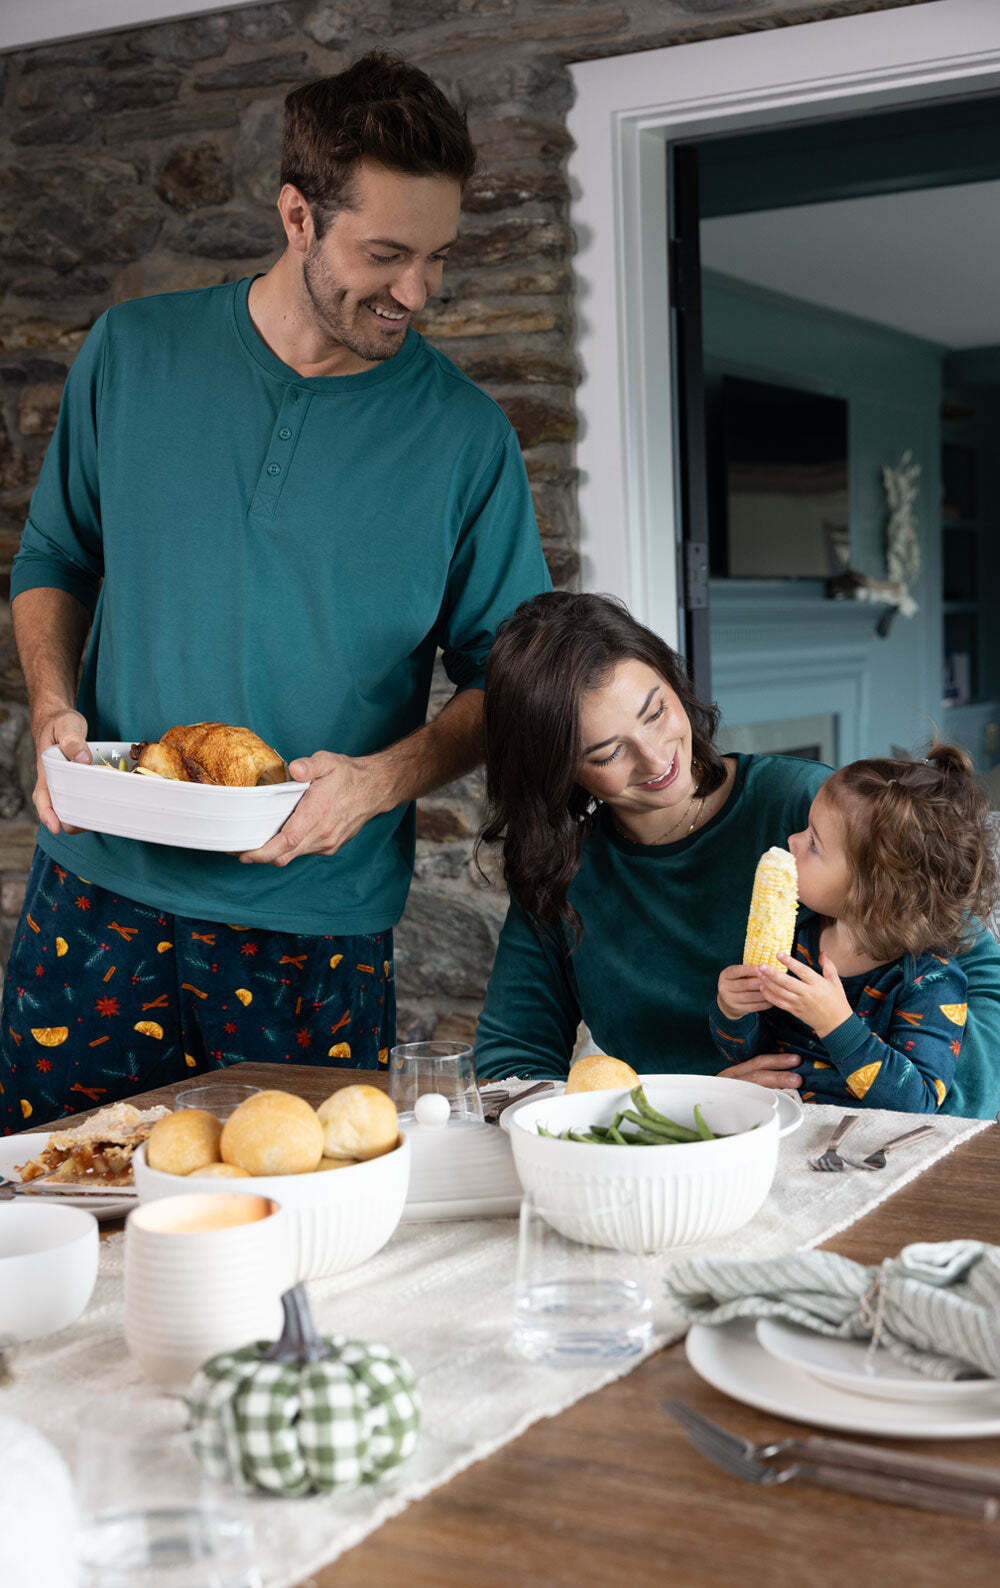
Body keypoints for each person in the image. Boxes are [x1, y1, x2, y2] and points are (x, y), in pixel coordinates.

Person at [0, 53, 550, 1133]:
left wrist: (379, 782)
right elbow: (56, 557)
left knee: (298, 1246)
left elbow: (510, 682)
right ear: (297, 215)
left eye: (438, 256)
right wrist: (54, 705)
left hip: (313, 925)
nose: (415, 292)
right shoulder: (134, 350)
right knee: (44, 1215)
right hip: (95, 896)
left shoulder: (465, 437)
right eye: (385, 253)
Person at [473, 592, 1000, 1120]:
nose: (657, 759)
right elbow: (512, 1065)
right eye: (608, 752)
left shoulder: (806, 807)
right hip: (673, 1150)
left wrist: (881, 1094)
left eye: (656, 712)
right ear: (556, 768)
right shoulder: (560, 868)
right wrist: (691, 1106)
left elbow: (977, 979)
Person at [711, 748, 999, 1112]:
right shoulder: (799, 940)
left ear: (874, 892)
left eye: (814, 843)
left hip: (872, 1151)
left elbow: (919, 1102)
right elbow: (752, 1054)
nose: (793, 841)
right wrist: (733, 1013)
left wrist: (837, 1023)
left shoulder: (930, 983)